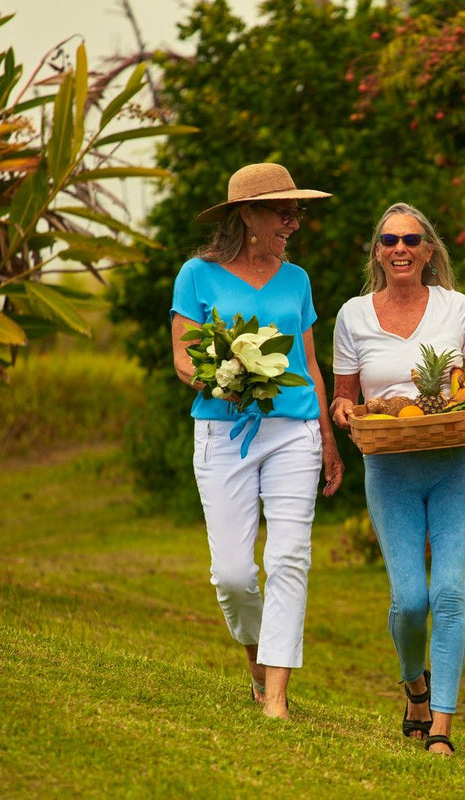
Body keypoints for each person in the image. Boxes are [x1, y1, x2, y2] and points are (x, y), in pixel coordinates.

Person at [330, 202, 465, 755]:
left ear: (428, 251)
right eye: (390, 240)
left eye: (411, 240)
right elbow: (344, 396)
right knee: (411, 599)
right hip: (390, 468)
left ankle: (442, 726)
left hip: (456, 463)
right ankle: (415, 684)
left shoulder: (456, 306)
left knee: (450, 592)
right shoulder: (353, 316)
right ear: (377, 253)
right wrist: (344, 413)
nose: (400, 249)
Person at [170, 163, 344, 720]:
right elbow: (183, 357)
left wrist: (329, 443)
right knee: (233, 575)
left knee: (289, 557)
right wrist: (220, 377)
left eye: (297, 212)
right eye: (283, 212)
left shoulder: (297, 280)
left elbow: (310, 366)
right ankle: (256, 660)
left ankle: (276, 698)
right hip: (223, 432)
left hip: (294, 432)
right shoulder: (196, 275)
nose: (294, 222)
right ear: (248, 215)